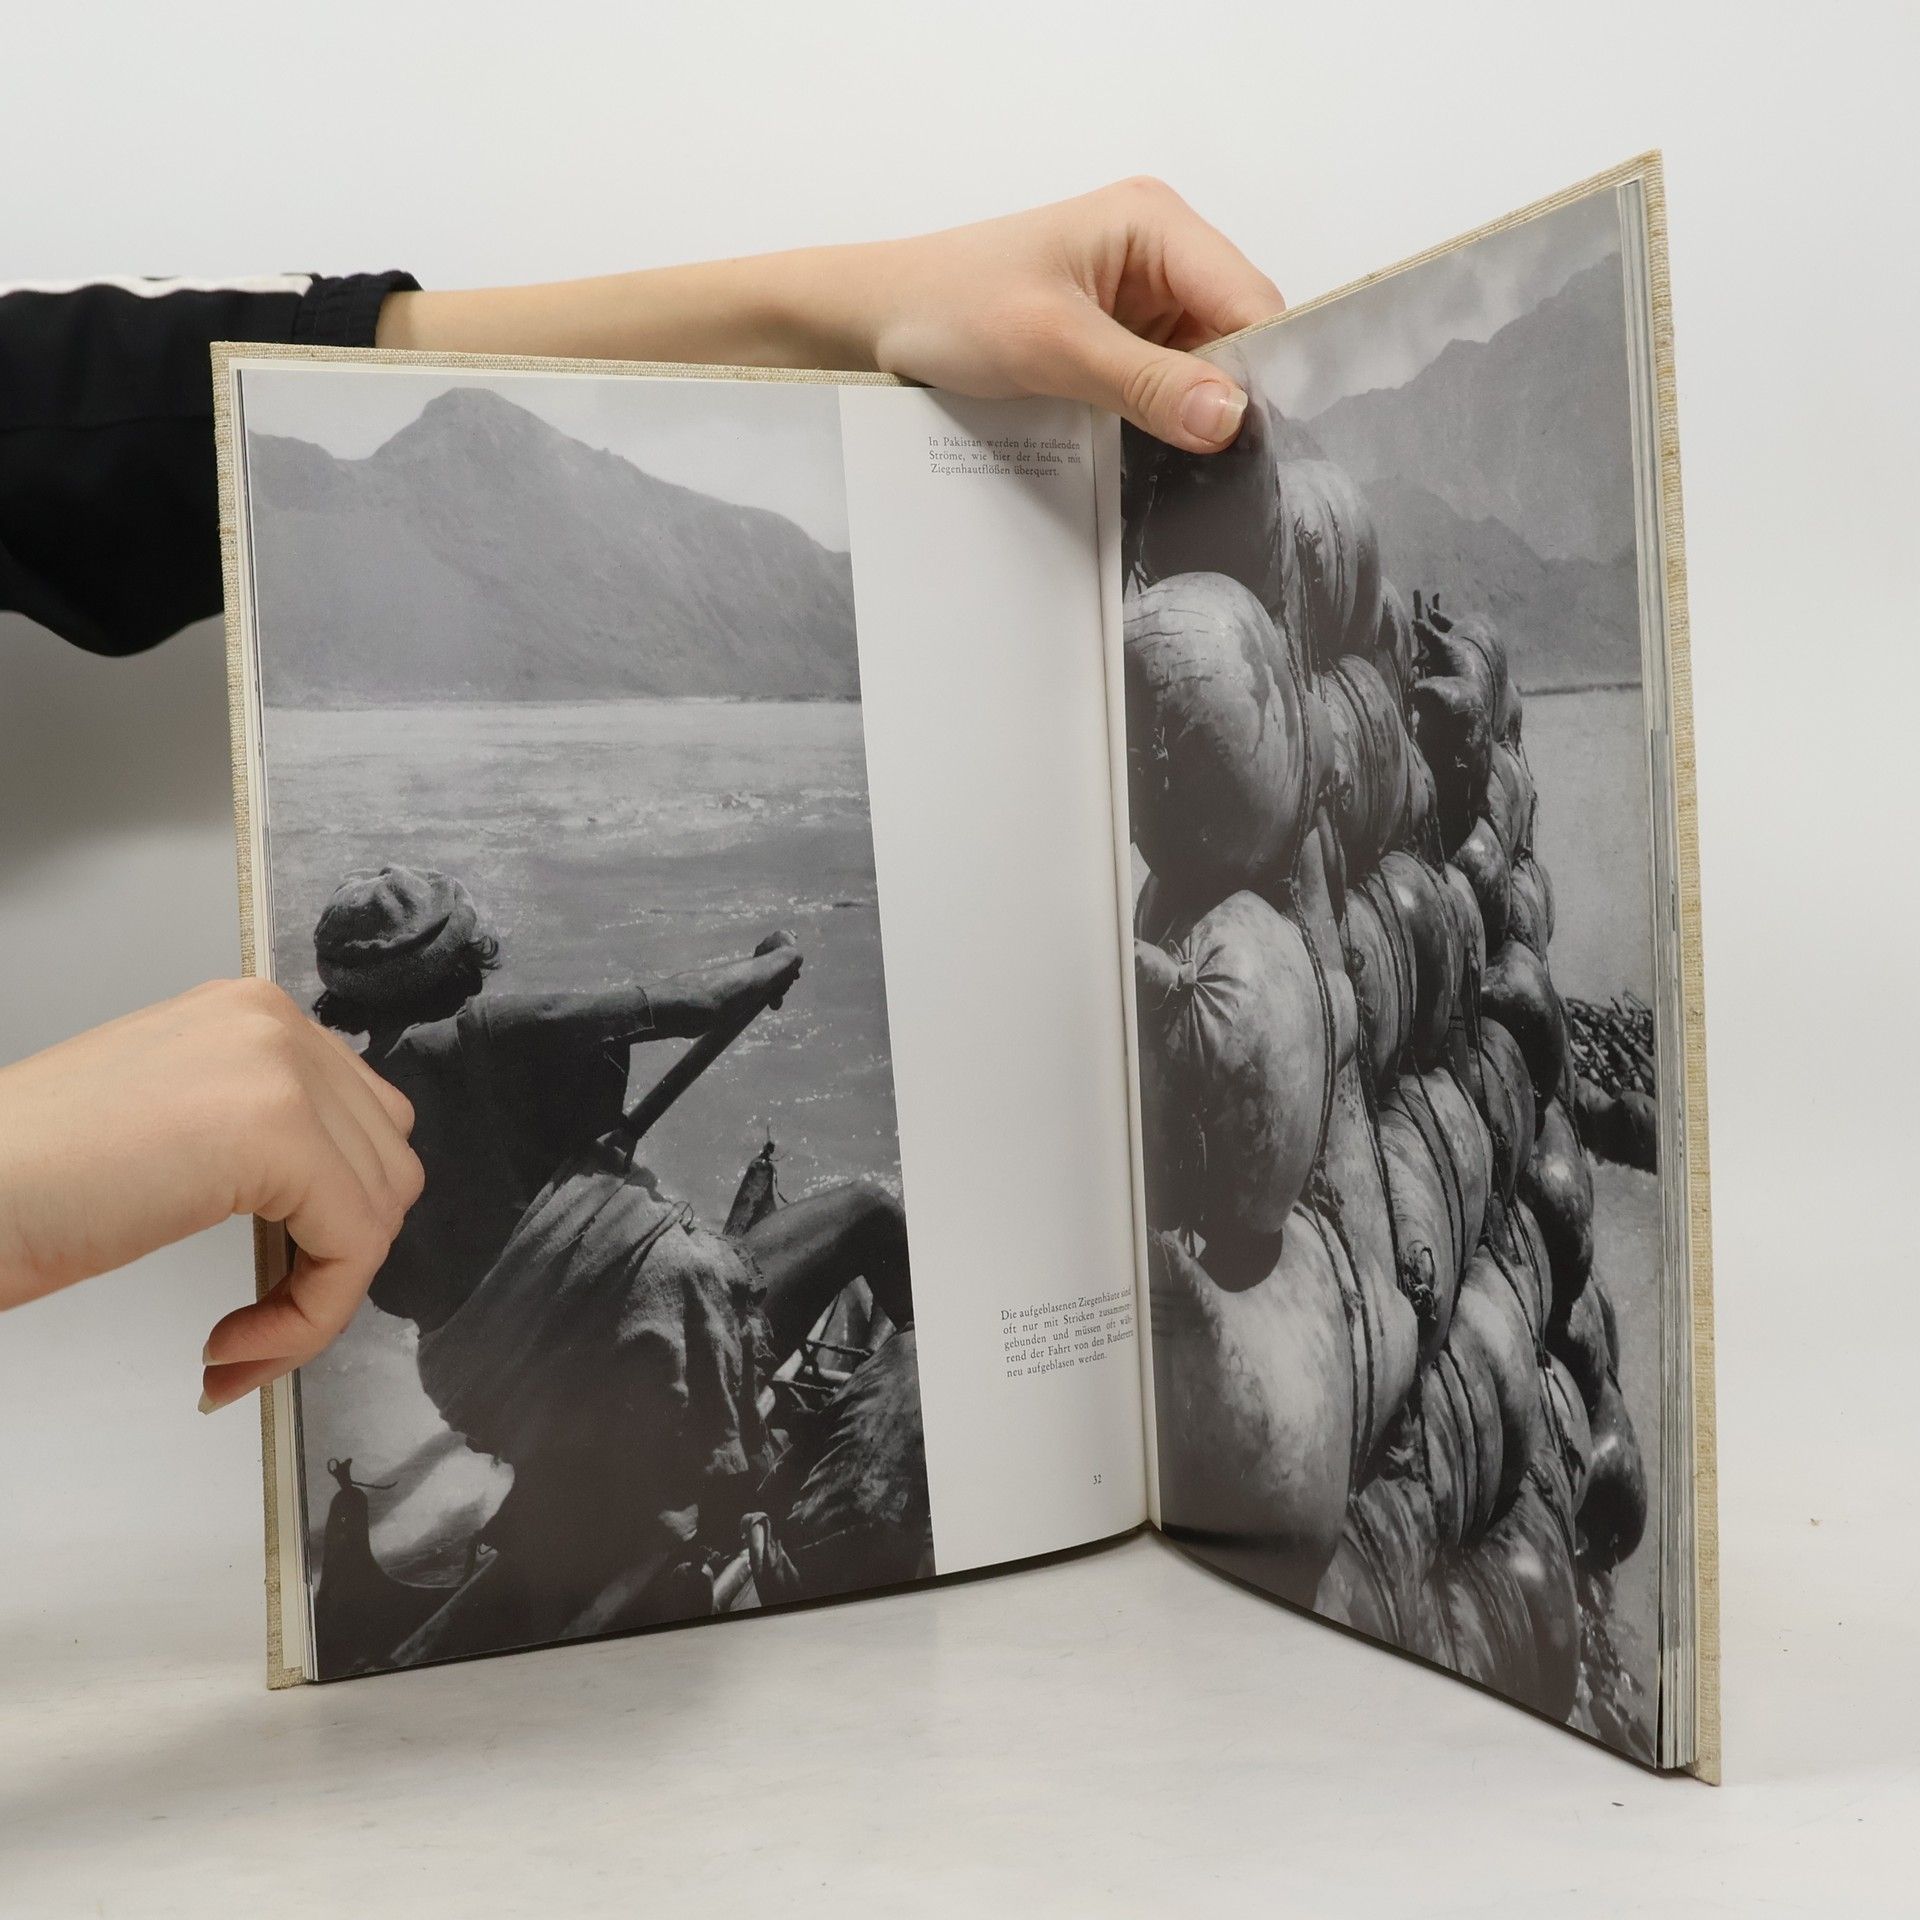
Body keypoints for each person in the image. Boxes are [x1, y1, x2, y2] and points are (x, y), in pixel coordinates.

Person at [0, 178, 1285, 1414]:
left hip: (475, 1373)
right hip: (607, 1319)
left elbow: (105, 403)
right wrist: (762, 971)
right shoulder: (474, 1043)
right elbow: (667, 1005)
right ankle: (937, 1415)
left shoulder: (380, 1091)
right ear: (448, 966)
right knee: (869, 1215)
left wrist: (862, 308)